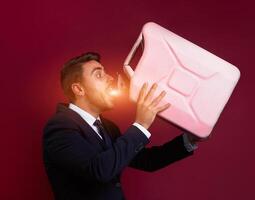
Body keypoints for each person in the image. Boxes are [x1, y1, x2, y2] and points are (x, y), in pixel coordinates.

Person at [43, 52, 203, 200]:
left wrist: (190, 139)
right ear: (79, 89)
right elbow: (98, 171)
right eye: (99, 75)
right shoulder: (60, 128)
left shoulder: (108, 127)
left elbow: (147, 161)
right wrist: (141, 125)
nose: (110, 78)